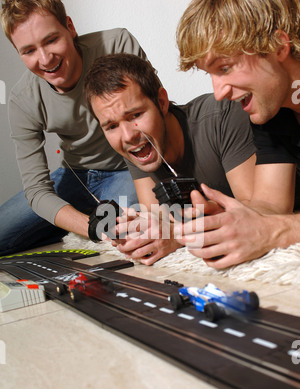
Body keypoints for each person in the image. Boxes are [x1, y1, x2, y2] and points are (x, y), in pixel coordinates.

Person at [0, 0, 147, 256]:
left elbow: (154, 118)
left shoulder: (116, 45)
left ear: (70, 27)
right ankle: (72, 222)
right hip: (74, 176)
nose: (45, 59)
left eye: (51, 40)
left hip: (127, 169)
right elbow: (36, 189)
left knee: (132, 235)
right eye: (28, 51)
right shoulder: (22, 98)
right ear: (17, 51)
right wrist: (89, 226)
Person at [83, 52, 257, 265]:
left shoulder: (222, 117)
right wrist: (138, 230)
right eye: (111, 126)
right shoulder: (135, 147)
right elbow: (157, 217)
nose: (128, 136)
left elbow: (254, 211)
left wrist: (176, 235)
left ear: (162, 102)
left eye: (136, 115)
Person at [176, 0, 300, 268]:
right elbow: (271, 204)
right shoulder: (275, 109)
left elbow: (276, 223)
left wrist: (276, 231)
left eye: (225, 68)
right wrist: (227, 220)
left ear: (278, 46)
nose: (219, 93)